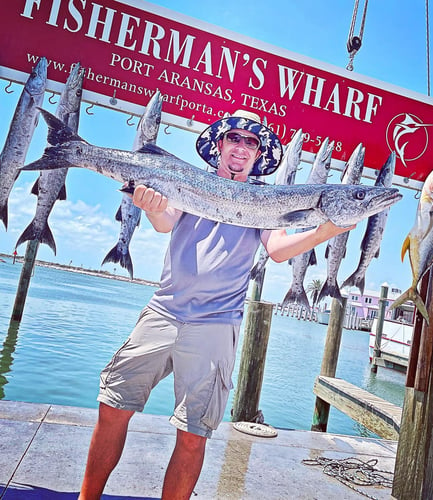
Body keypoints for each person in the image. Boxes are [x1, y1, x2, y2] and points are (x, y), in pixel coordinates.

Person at [78, 110, 353, 500]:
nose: (242, 147)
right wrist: (152, 204)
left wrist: (326, 230)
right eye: (235, 138)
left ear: (259, 155)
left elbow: (276, 250)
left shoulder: (267, 200)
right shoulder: (190, 182)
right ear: (220, 146)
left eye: (251, 142)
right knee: (112, 407)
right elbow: (164, 222)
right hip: (163, 312)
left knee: (193, 436)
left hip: (216, 325)